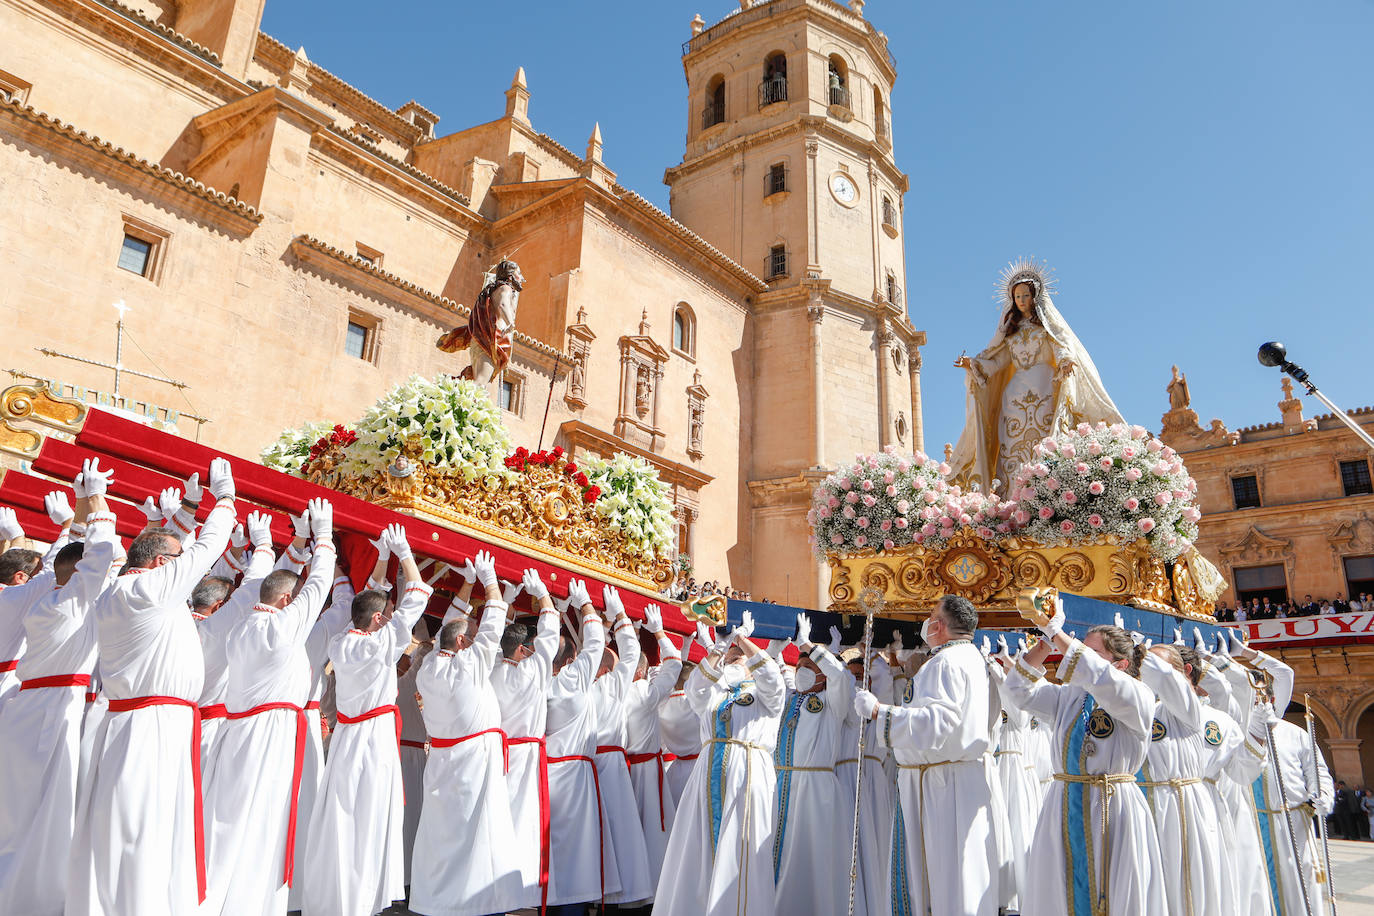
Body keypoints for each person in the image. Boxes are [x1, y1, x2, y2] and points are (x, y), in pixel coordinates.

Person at [68, 457, 238, 915]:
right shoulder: (151, 590)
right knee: (149, 824)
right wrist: (225, 499)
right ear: (163, 565)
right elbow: (207, 547)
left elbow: (180, 550)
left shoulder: (118, 592)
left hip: (140, 719)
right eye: (177, 563)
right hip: (155, 724)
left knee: (130, 822)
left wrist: (185, 508)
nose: (188, 572)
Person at [198, 499, 335, 915]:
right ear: (286, 599)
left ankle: (217, 897)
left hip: (239, 732)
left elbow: (278, 587)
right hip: (269, 737)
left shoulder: (238, 628)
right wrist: (324, 537)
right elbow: (320, 584)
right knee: (261, 823)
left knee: (229, 818)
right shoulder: (282, 626)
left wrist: (292, 545)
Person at [300, 523, 433, 916]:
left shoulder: (342, 641)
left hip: (347, 737)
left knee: (343, 813)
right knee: (371, 816)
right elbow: (419, 592)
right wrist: (404, 551)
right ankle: (361, 898)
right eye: (387, 615)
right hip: (373, 741)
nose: (392, 618)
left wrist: (382, 558)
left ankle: (339, 892)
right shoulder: (380, 646)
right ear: (378, 621)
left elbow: (364, 601)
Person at [1002, 599, 1166, 916]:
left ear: (1118, 664)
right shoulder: (1070, 696)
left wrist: (1061, 634)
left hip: (1111, 806)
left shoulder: (1137, 695)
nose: (1073, 655)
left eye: (1090, 652)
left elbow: (1102, 680)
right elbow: (1018, 691)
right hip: (1063, 803)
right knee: (1057, 887)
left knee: (1113, 887)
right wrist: (1046, 642)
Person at [0, 482, 117, 914]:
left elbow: (58, 566)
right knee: (47, 815)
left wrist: (75, 519)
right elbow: (90, 560)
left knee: (15, 812)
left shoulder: (32, 600)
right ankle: (33, 900)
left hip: (23, 708)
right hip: (53, 712)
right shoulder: (58, 602)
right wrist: (91, 506)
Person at [855, 595, 999, 916]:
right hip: (955, 776)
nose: (926, 621)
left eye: (931, 616)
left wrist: (881, 712)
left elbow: (939, 721)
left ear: (938, 625)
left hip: (939, 784)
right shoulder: (971, 657)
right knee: (959, 876)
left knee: (940, 875)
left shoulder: (945, 663)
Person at [408, 550, 524, 916]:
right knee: (478, 840)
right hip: (474, 763)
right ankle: (478, 906)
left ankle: (440, 904)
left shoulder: (428, 667)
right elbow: (491, 625)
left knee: (444, 840)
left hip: (444, 760)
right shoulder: (469, 665)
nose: (475, 642)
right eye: (470, 638)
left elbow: (448, 629)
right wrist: (490, 582)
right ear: (462, 645)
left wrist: (468, 582)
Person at [949, 260, 1124, 491]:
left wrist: (1065, 361)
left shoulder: (1046, 327)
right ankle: (1012, 495)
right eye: (1017, 296)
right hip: (1014, 396)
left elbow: (1061, 344)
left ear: (1034, 296)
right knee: (1013, 447)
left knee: (1045, 441)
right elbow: (998, 362)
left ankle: (1047, 489)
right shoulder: (1009, 333)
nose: (1021, 300)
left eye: (1025, 295)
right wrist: (973, 364)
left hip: (1044, 387)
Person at [653, 610, 784, 916]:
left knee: (740, 846)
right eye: (731, 657)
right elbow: (695, 687)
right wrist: (718, 647)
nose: (734, 659)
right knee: (698, 850)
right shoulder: (714, 695)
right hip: (707, 774)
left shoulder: (767, 696)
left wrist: (743, 641)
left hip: (747, 774)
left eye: (739, 658)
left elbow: (772, 679)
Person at [772, 613, 853, 916]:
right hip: (781, 786)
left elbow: (842, 677)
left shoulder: (834, 703)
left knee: (812, 857)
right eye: (800, 666)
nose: (802, 670)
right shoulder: (787, 698)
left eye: (810, 666)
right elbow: (771, 676)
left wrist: (810, 645)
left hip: (816, 789)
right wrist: (774, 649)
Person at [489, 567, 560, 911]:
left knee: (499, 823)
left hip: (498, 757)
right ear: (521, 651)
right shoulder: (531, 673)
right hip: (528, 759)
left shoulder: (487, 670)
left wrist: (504, 599)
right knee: (526, 826)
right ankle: (522, 895)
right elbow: (551, 635)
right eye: (529, 649)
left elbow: (490, 636)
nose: (534, 652)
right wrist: (543, 595)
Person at [1137, 642, 1224, 916]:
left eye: (1154, 666)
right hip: (1144, 804)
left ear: (1182, 673)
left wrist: (1137, 652)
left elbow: (1167, 680)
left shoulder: (1188, 709)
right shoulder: (1140, 706)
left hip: (1182, 805)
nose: (1146, 672)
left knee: (1186, 883)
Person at [543, 577, 608, 914]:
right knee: (579, 852)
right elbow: (595, 642)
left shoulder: (537, 677)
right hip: (576, 775)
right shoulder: (572, 678)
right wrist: (585, 604)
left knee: (552, 850)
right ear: (570, 662)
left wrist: (550, 609)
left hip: (547, 772)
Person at [590, 584, 654, 909]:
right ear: (606, 669)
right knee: (622, 836)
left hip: (584, 768)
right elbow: (631, 652)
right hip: (611, 768)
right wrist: (619, 616)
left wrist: (598, 625)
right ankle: (621, 897)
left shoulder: (576, 681)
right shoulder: (613, 684)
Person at [623, 605, 684, 902]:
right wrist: (658, 631)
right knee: (651, 836)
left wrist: (630, 632)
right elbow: (674, 662)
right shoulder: (645, 694)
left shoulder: (611, 689)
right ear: (642, 672)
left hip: (619, 772)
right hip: (645, 772)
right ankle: (651, 893)